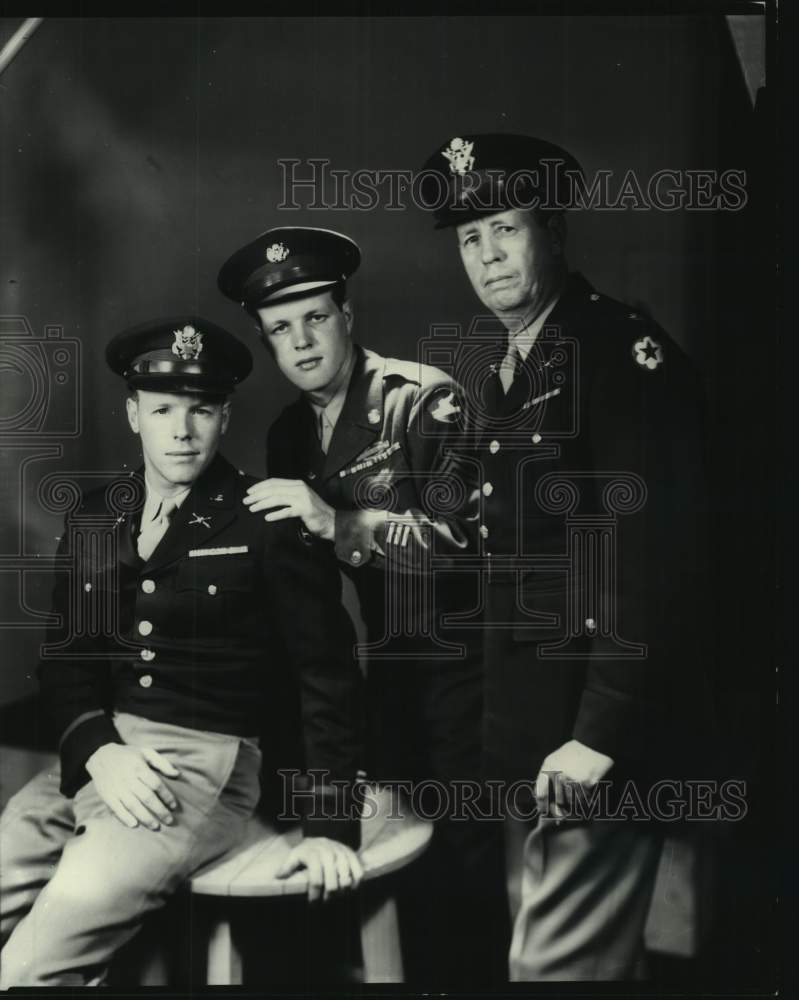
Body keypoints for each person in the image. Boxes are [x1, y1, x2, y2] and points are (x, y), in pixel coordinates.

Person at [418, 133, 712, 980]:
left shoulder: (620, 358)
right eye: (469, 238)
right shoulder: (513, 372)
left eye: (503, 228)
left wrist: (600, 735)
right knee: (554, 962)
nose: (486, 256)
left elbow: (651, 558)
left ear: (552, 229)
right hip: (541, 739)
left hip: (601, 740)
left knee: (557, 973)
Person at [0, 317, 364, 988]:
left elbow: (327, 678)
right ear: (133, 413)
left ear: (224, 417)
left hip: (201, 768)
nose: (182, 430)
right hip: (102, 755)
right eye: (163, 409)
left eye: (200, 410)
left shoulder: (266, 521)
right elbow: (66, 661)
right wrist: (99, 751)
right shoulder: (96, 514)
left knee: (28, 968)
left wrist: (329, 828)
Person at [217, 228, 510, 987]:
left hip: (463, 668)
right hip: (384, 670)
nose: (301, 340)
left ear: (347, 314)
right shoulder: (289, 433)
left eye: (315, 316)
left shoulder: (422, 400)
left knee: (460, 860)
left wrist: (337, 522)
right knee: (394, 859)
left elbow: (469, 550)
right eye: (281, 329)